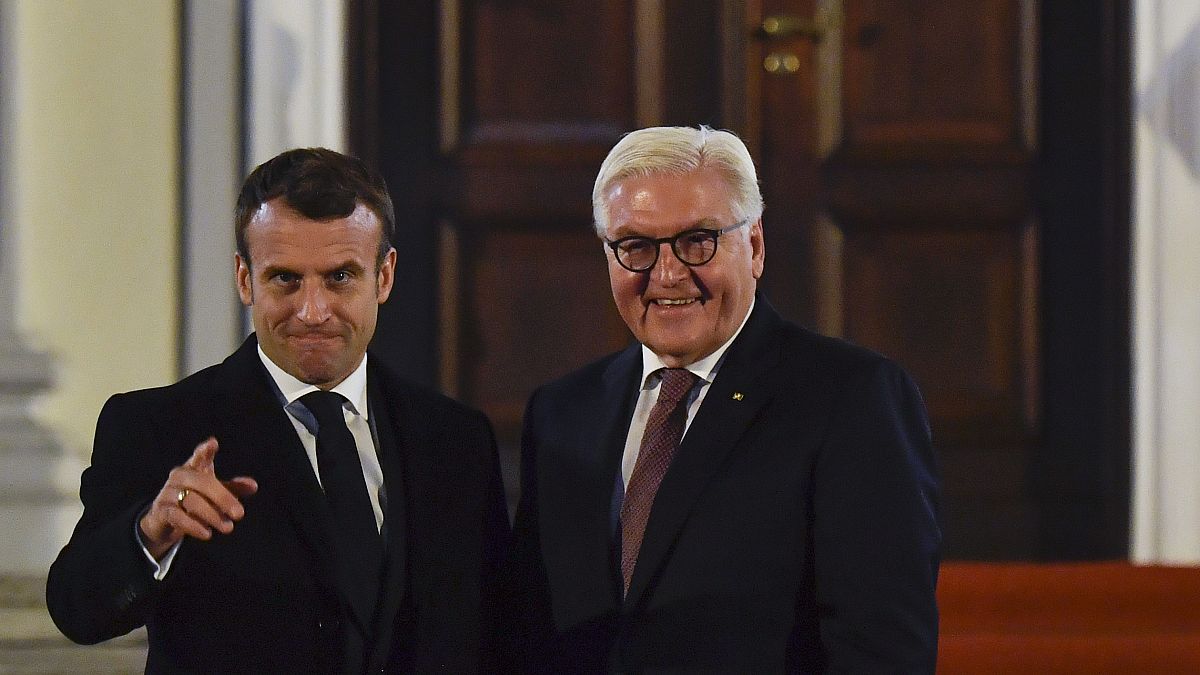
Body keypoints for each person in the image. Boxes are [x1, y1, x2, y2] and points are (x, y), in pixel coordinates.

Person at [47, 148, 509, 673]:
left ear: (384, 277)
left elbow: (494, 634)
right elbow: (76, 610)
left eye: (339, 278)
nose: (312, 312)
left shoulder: (455, 439)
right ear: (246, 279)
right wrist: (150, 534)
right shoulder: (159, 426)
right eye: (285, 279)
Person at [503, 126, 940, 671]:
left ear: (753, 245)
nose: (667, 274)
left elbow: (881, 651)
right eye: (636, 246)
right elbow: (529, 634)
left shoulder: (850, 400)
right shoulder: (563, 411)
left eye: (697, 241)